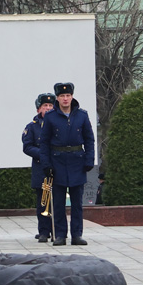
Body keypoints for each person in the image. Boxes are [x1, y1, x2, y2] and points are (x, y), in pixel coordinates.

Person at [39, 82, 97, 246]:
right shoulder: (50, 117)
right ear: (57, 98)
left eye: (68, 96)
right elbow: (44, 143)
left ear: (72, 96)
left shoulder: (82, 115)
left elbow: (89, 139)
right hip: (57, 161)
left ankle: (77, 235)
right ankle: (60, 235)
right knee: (58, 203)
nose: (65, 99)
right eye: (62, 96)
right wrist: (46, 164)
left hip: (77, 161)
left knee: (77, 203)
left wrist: (88, 160)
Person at [23, 93, 56, 242]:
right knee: (43, 202)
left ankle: (58, 230)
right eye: (45, 106)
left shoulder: (58, 124)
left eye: (50, 106)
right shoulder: (32, 127)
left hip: (57, 167)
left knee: (57, 201)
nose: (48, 108)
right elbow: (27, 147)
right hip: (41, 169)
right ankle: (44, 231)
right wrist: (43, 155)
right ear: (38, 109)